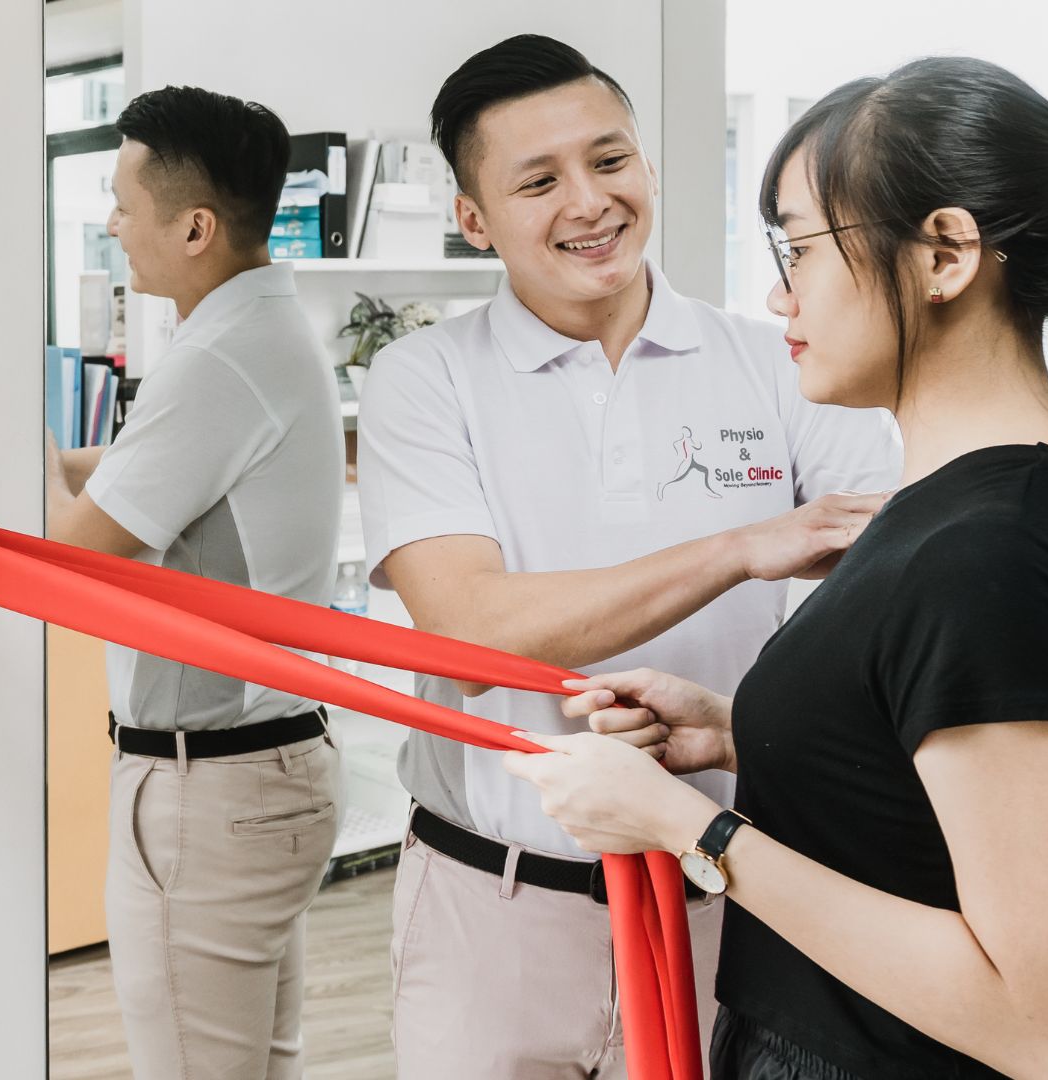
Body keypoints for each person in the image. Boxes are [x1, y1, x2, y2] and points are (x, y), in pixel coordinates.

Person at [502, 56, 1048, 1079]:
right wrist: (741, 731)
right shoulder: (946, 513)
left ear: (943, 253)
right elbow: (919, 802)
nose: (776, 290)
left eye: (801, 248)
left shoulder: (1001, 549)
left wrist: (688, 827)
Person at [354, 35, 902, 1078]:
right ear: (474, 219)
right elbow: (469, 632)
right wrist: (746, 546)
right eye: (538, 180)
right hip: (496, 910)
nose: (588, 202)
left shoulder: (778, 359)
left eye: (609, 162)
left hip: (728, 893)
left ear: (648, 170)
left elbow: (891, 566)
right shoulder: (425, 379)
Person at [43, 85, 346, 1079]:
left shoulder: (218, 356)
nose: (115, 225)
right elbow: (157, 474)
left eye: (125, 203)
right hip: (265, 775)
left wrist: (21, 454)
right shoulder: (257, 331)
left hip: (208, 794)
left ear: (196, 227)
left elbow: (73, 565)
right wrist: (65, 461)